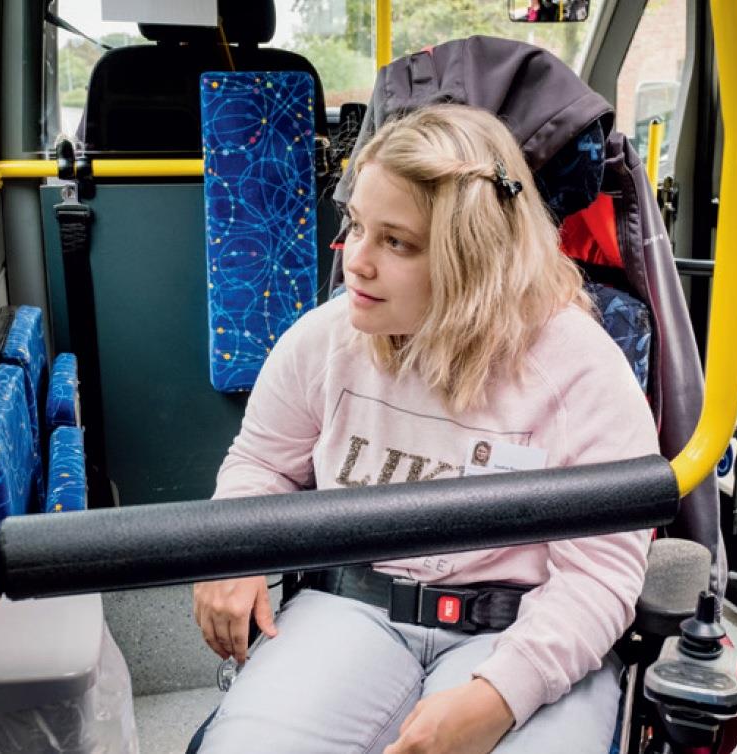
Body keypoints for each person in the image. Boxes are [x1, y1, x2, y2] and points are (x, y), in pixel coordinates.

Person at [192, 104, 658, 754]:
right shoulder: (326, 339)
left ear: (473, 258)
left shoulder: (579, 367)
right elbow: (262, 463)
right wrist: (232, 549)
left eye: (396, 242)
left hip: (525, 621)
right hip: (355, 605)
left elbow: (600, 574)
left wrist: (499, 695)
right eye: (355, 226)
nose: (355, 261)